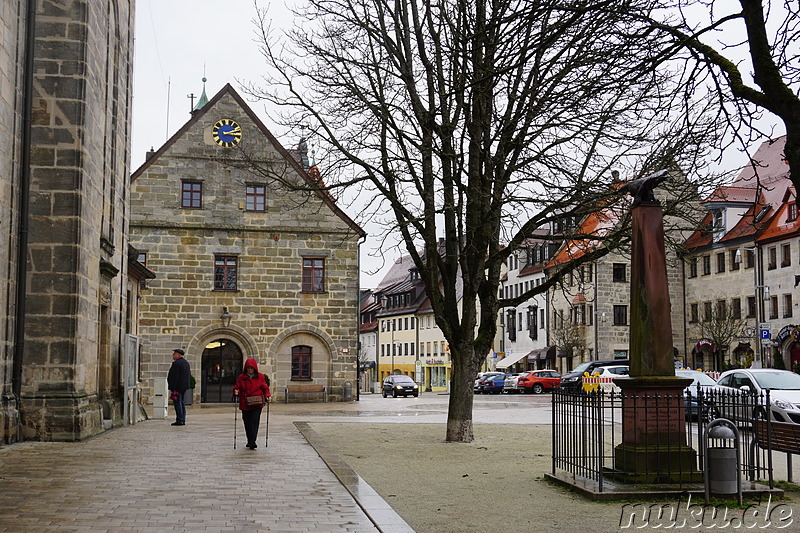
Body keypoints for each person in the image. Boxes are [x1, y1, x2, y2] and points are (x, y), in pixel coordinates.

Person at [233, 358, 271, 449]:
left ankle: (252, 441)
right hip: (245, 404)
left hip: (257, 403)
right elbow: (236, 387)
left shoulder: (260, 377)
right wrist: (235, 391)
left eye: (251, 368)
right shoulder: (241, 377)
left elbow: (265, 388)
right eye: (248, 368)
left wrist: (267, 395)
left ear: (254, 368)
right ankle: (250, 440)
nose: (250, 369)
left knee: (254, 422)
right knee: (247, 422)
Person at [167, 349, 191, 426]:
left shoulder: (177, 364)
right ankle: (182, 419)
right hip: (183, 386)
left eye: (174, 354)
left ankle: (180, 420)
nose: (173, 355)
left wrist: (172, 387)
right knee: (182, 403)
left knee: (178, 403)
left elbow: (174, 377)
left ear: (178, 355)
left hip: (177, 387)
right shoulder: (185, 363)